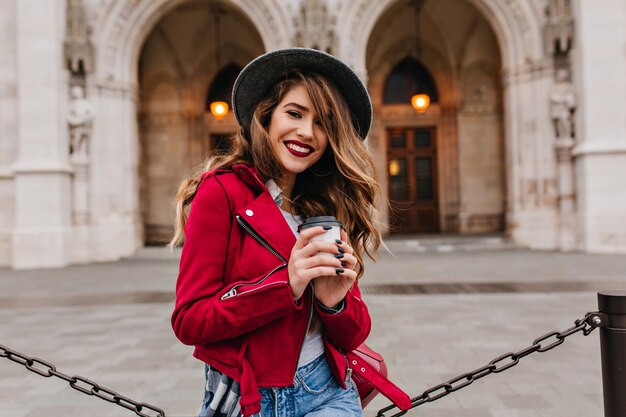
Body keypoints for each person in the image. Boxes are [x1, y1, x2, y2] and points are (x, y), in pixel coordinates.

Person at [169, 48, 383, 417]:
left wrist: (334, 304)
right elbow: (190, 320)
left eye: (323, 123)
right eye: (295, 113)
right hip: (251, 400)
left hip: (328, 391)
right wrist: (286, 284)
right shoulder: (221, 192)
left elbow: (354, 334)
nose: (306, 132)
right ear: (266, 116)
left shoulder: (323, 207)